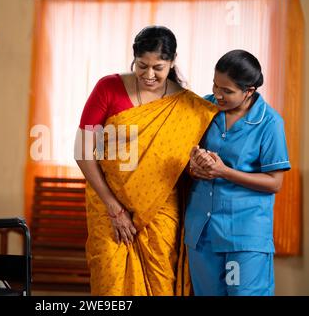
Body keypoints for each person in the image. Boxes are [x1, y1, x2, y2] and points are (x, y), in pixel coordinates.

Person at [74, 26, 218, 295]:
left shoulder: (187, 106)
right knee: (110, 284)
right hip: (107, 207)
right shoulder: (108, 88)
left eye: (158, 67)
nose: (149, 75)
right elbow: (82, 151)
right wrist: (114, 208)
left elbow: (186, 164)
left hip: (160, 210)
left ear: (172, 61)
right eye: (142, 66)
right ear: (134, 57)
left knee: (159, 280)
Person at [185, 50, 291, 296]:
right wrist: (196, 167)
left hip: (245, 235)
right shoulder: (204, 108)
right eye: (215, 84)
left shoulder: (269, 123)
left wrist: (224, 171)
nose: (218, 94)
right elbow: (186, 163)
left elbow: (274, 183)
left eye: (228, 91)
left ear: (249, 91)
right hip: (202, 232)